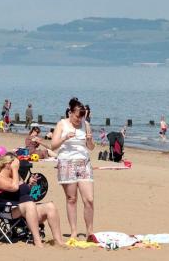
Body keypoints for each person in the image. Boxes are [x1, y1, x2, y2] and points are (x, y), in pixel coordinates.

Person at [0, 153, 66, 248]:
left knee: (50, 206)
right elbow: (14, 187)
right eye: (16, 165)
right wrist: (14, 169)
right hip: (7, 210)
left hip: (24, 209)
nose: (18, 168)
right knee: (29, 205)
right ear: (8, 165)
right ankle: (37, 241)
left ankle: (58, 241)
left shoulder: (16, 176)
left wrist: (29, 185)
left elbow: (23, 192)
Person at [50, 98, 95, 238]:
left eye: (81, 117)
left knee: (89, 199)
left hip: (83, 162)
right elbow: (53, 146)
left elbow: (92, 147)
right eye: (76, 117)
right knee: (71, 198)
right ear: (70, 113)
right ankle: (74, 231)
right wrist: (65, 138)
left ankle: (89, 231)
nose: (78, 120)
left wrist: (89, 139)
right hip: (67, 163)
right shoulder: (62, 124)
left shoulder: (85, 124)